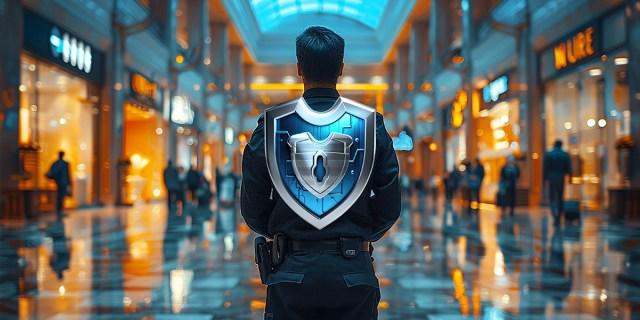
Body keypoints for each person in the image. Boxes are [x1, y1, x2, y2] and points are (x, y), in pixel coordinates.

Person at [241, 26, 401, 319]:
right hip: (353, 271)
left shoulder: (272, 125)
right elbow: (390, 205)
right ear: (341, 69)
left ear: (299, 68)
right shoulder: (369, 124)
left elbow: (252, 205)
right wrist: (359, 234)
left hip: (291, 272)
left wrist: (283, 233)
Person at [543, 139, 572, 225]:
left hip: (552, 178)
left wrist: (544, 179)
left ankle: (555, 216)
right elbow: (569, 168)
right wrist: (570, 177)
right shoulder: (565, 155)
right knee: (560, 197)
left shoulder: (549, 154)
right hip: (561, 177)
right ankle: (558, 216)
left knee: (552, 197)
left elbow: (545, 168)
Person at [46, 151, 71, 219]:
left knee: (60, 195)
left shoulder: (55, 163)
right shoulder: (65, 163)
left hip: (59, 181)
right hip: (64, 182)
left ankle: (59, 209)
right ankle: (60, 210)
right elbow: (68, 174)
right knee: (61, 195)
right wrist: (69, 183)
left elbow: (52, 172)